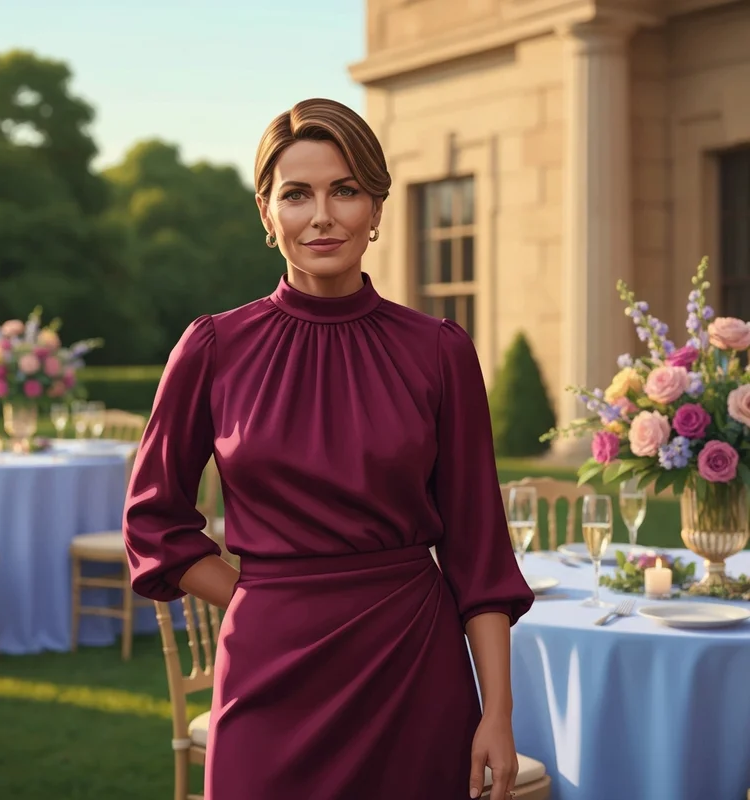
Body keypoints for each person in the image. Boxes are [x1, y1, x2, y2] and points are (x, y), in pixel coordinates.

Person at [123, 98, 534, 800]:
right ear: (266, 213)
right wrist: (253, 597)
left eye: (344, 191)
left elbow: (479, 552)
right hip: (267, 668)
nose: (322, 216)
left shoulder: (439, 351)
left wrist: (498, 711)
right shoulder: (213, 347)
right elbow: (152, 520)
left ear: (376, 209)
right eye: (297, 195)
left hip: (413, 668)